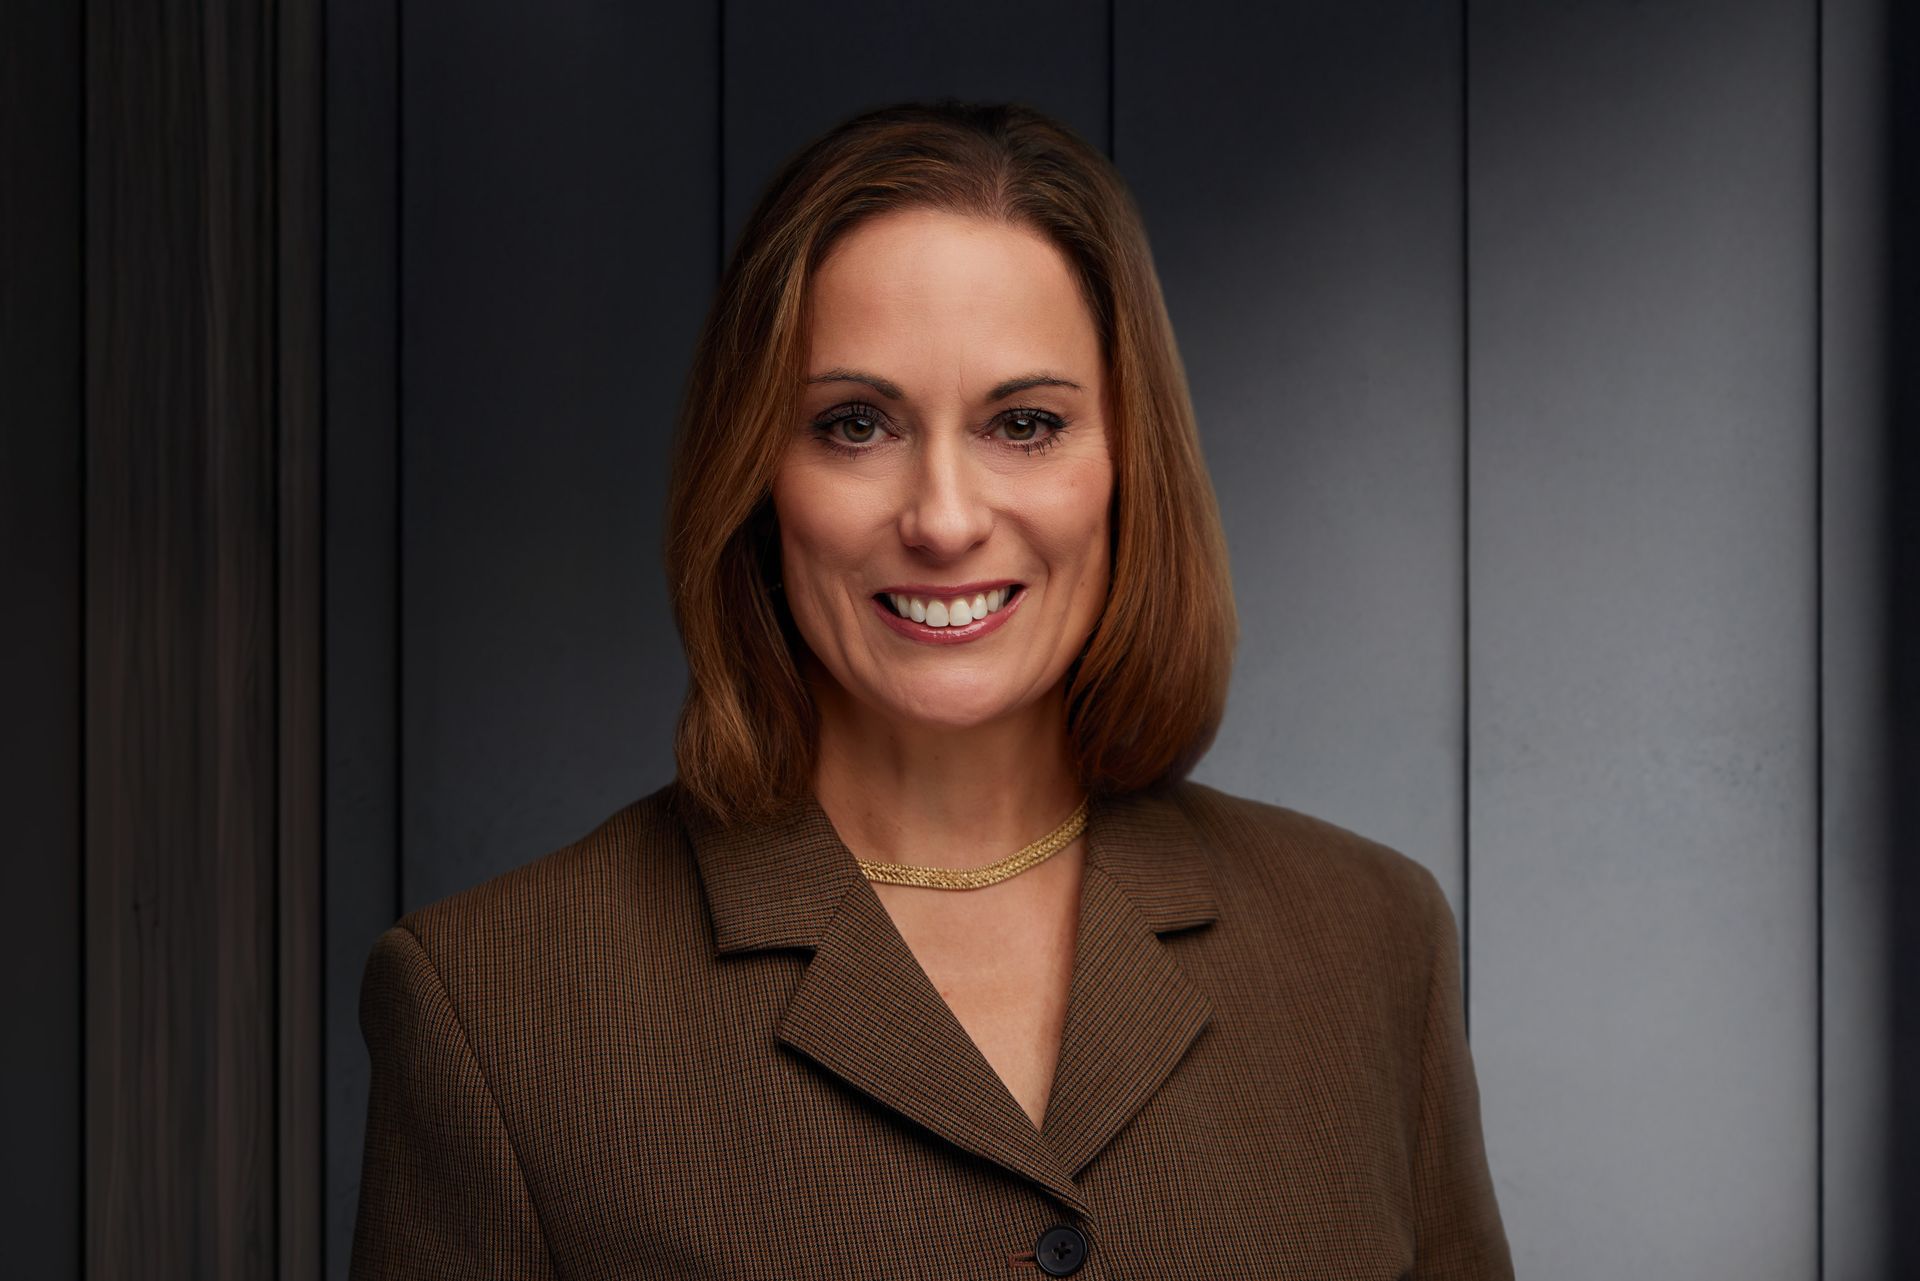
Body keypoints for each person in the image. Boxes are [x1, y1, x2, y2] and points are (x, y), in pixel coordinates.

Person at [349, 99, 1514, 1280]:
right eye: (855, 425)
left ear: (1127, 465)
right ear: (755, 473)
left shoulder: (1371, 943)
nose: (946, 520)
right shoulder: (493, 1006)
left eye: (1025, 423)